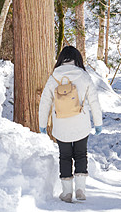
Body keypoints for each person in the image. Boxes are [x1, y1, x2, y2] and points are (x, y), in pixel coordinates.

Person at [39, 46, 103, 203]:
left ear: (61, 59)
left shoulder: (54, 77)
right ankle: (80, 189)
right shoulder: (83, 76)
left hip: (60, 124)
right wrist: (97, 123)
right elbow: (94, 101)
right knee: (81, 154)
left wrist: (42, 124)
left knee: (65, 157)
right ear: (77, 59)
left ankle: (67, 192)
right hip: (81, 123)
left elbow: (44, 102)